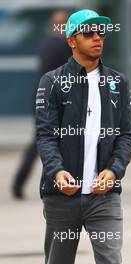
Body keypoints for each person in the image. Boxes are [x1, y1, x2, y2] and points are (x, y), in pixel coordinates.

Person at [36, 9, 131, 264]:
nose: (97, 37)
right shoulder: (52, 82)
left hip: (104, 197)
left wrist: (113, 171)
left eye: (100, 32)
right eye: (88, 33)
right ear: (71, 40)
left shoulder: (118, 82)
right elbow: (46, 135)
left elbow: (125, 136)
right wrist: (57, 173)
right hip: (63, 197)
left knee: (111, 259)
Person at [12, 11, 71, 199]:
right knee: (52, 142)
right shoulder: (63, 45)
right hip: (54, 101)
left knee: (42, 141)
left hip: (40, 98)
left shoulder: (45, 44)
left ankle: (20, 183)